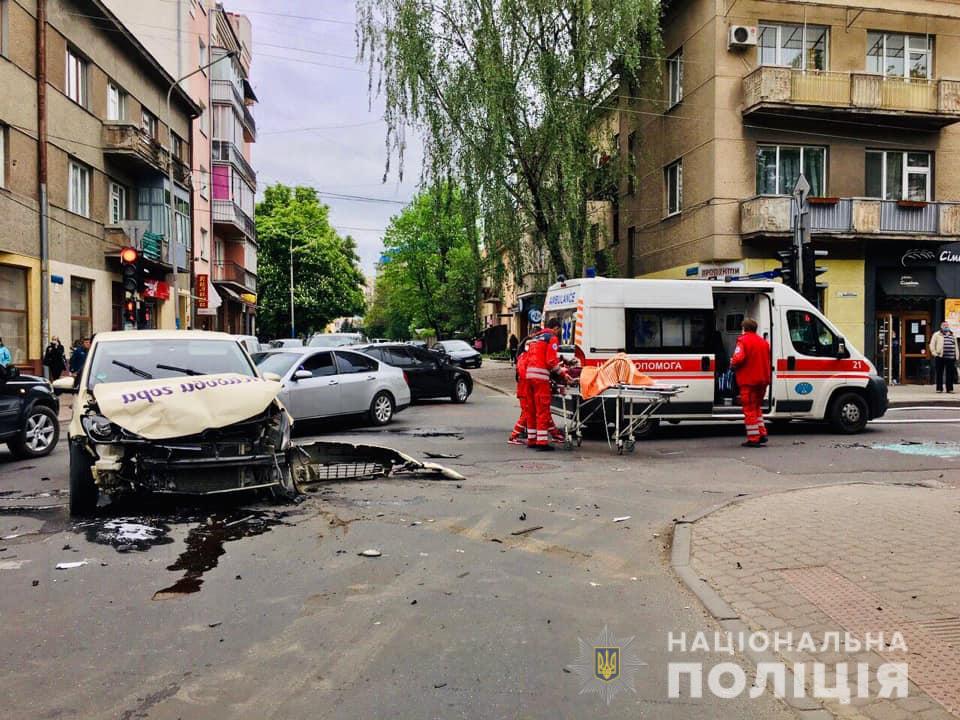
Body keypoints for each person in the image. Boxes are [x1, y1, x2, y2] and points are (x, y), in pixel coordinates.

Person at [525, 318, 566, 451]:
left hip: (529, 376)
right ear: (556, 328)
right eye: (559, 330)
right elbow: (550, 361)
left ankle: (531, 439)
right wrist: (563, 375)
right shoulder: (552, 338)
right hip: (540, 377)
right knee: (542, 409)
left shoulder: (535, 338)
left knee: (531, 409)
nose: (558, 333)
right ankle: (542, 442)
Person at [730, 318, 771, 448]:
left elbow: (738, 358)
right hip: (763, 380)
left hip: (748, 381)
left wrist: (732, 363)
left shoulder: (743, 341)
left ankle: (753, 438)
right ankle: (762, 434)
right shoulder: (763, 342)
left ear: (744, 328)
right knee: (757, 407)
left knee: (749, 410)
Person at [508, 340, 531, 445]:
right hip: (525, 389)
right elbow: (523, 374)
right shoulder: (525, 357)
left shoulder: (522, 357)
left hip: (524, 389)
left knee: (527, 413)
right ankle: (514, 436)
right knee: (527, 413)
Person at [930, 322, 956, 393]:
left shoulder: (952, 334)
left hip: (951, 357)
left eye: (947, 325)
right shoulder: (937, 334)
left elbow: (955, 345)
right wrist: (934, 353)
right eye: (944, 325)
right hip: (940, 356)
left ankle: (949, 389)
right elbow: (932, 344)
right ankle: (939, 389)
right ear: (941, 327)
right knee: (939, 373)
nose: (946, 327)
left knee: (950, 374)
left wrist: (956, 355)